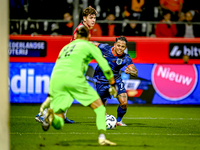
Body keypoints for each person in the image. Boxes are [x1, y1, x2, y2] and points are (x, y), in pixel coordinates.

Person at [41, 25, 117, 146]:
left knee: (59, 120)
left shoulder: (65, 48)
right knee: (100, 108)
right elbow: (104, 65)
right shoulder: (89, 45)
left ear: (76, 36)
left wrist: (51, 93)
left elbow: (57, 66)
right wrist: (112, 83)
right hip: (74, 78)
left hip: (57, 79)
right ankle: (102, 138)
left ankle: (50, 116)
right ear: (89, 36)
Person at [35, 6, 98, 124]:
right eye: (91, 18)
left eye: (94, 18)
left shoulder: (85, 28)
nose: (93, 20)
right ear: (84, 18)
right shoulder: (82, 29)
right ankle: (42, 114)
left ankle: (60, 115)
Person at [91, 36, 138, 126]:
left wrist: (131, 71)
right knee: (101, 104)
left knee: (124, 103)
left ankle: (119, 121)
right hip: (102, 80)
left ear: (125, 48)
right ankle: (105, 119)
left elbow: (135, 72)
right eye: (118, 45)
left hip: (116, 80)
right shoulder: (105, 48)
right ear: (115, 45)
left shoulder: (126, 58)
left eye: (122, 47)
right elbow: (92, 44)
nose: (120, 48)